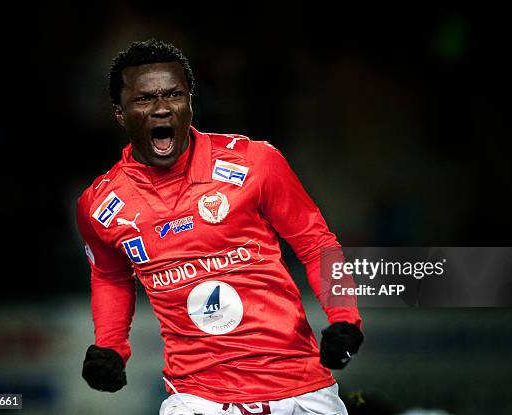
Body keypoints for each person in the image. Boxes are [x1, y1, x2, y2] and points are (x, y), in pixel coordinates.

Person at [76, 39, 364, 415]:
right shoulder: (99, 205)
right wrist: (111, 345)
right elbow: (111, 276)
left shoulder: (256, 163)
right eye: (145, 99)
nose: (162, 108)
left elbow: (316, 244)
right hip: (197, 398)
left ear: (190, 101)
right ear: (119, 112)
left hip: (300, 388)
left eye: (174, 95)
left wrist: (344, 317)